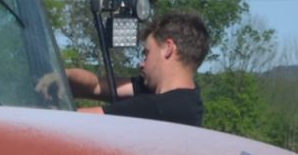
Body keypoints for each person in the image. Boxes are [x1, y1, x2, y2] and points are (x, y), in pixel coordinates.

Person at [65, 8, 207, 126]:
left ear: (168, 49)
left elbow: (67, 120)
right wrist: (60, 74)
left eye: (147, 53)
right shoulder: (189, 100)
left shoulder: (159, 109)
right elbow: (97, 85)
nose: (141, 63)